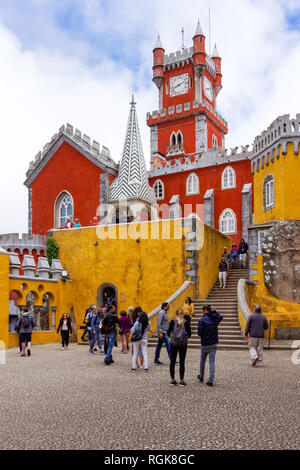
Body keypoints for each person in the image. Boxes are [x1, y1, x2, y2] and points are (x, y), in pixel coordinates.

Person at [197, 305, 223, 387]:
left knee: (202, 360)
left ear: (204, 310)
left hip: (205, 343)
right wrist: (214, 312)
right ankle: (211, 380)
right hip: (213, 343)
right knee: (212, 362)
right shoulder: (214, 319)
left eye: (203, 311)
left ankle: (201, 376)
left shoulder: (202, 320)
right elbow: (220, 317)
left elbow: (199, 333)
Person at [168, 309, 191, 386]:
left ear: (176, 314)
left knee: (172, 361)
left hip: (173, 344)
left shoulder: (172, 321)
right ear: (183, 314)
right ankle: (181, 380)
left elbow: (168, 332)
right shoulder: (186, 322)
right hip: (183, 344)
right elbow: (190, 333)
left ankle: (173, 380)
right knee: (182, 362)